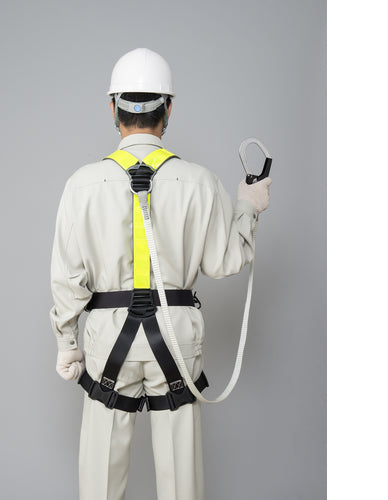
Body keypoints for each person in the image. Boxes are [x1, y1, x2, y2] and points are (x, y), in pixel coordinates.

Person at [49, 47, 272, 500]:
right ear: (168, 108)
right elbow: (224, 261)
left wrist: (67, 343)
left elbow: (67, 278)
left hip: (107, 339)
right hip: (176, 338)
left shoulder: (81, 185)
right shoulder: (200, 181)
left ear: (113, 108)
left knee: (99, 481)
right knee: (181, 482)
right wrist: (248, 208)